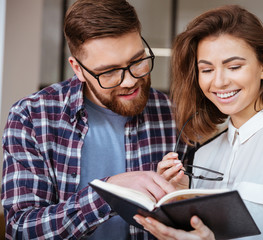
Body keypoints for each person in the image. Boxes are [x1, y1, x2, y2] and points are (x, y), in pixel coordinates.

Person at [0, 0, 199, 239]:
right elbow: (21, 229)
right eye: (109, 72)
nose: (129, 81)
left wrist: (181, 201)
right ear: (78, 69)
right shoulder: (32, 117)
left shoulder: (174, 116)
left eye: (137, 61)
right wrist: (107, 193)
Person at [134, 5, 263, 240]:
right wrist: (179, 199)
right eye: (206, 69)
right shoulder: (203, 155)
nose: (218, 82)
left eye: (234, 67)